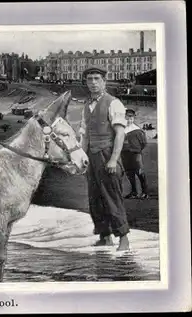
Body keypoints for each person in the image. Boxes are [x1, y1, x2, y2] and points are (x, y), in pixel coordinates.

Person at [78, 67, 130, 251]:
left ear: (104, 81)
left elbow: (120, 134)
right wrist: (82, 159)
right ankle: (105, 236)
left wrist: (113, 160)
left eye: (96, 79)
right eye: (89, 79)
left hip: (107, 154)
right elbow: (84, 136)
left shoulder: (113, 103)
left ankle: (124, 240)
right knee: (95, 198)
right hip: (91, 156)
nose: (92, 82)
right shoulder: (86, 105)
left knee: (112, 197)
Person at [121, 109, 149, 199]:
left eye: (131, 118)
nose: (129, 120)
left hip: (135, 154)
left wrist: (137, 150)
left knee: (139, 172)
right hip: (124, 154)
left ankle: (145, 192)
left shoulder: (137, 130)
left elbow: (143, 142)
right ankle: (134, 192)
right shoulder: (121, 129)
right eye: (127, 118)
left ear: (133, 119)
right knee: (129, 173)